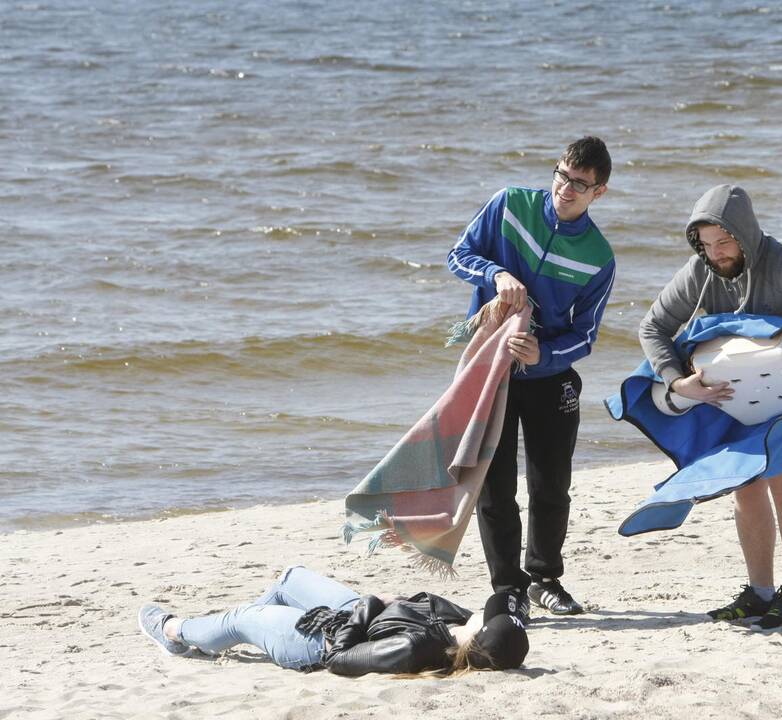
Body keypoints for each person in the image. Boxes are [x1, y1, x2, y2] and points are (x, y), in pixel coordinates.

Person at [639, 184, 782, 631]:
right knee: (745, 482)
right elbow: (653, 326)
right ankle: (761, 592)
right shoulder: (701, 270)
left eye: (724, 242)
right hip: (745, 387)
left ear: (744, 235)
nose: (716, 254)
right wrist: (677, 380)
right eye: (705, 245)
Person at [447, 136, 616, 617]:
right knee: (494, 487)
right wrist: (496, 275)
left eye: (580, 184)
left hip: (550, 377)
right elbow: (458, 254)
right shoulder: (509, 205)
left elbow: (586, 335)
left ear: (598, 192)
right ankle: (508, 590)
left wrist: (543, 352)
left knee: (551, 485)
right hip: (490, 372)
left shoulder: (599, 257)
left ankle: (543, 579)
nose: (566, 188)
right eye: (562, 175)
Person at [137, 565, 528, 675]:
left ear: (478, 638)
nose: (484, 610)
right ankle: (243, 627)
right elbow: (412, 607)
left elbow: (339, 659)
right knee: (291, 578)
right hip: (354, 612)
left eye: (487, 618)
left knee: (242, 618)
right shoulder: (461, 622)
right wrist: (373, 604)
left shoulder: (414, 648)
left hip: (315, 642)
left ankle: (176, 632)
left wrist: (371, 601)